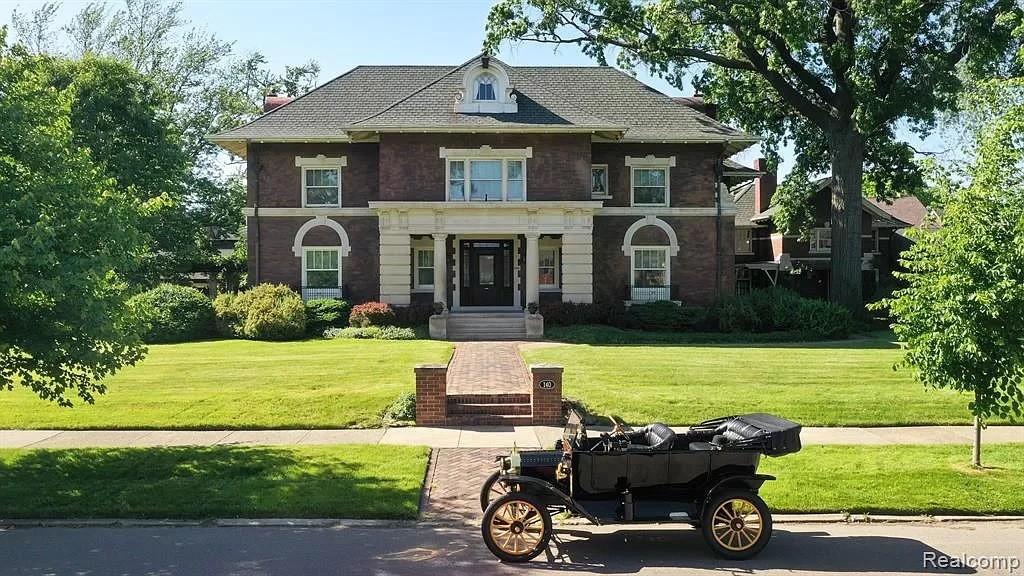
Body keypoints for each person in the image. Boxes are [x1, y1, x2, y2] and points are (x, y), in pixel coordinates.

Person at [612, 421, 677, 451]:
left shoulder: (666, 442)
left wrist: (628, 447)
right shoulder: (649, 429)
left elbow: (653, 449)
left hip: (653, 453)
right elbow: (636, 434)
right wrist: (618, 434)